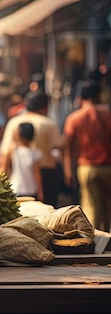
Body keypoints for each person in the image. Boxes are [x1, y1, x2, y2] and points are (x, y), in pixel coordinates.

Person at [0, 91, 64, 208]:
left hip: (19, 174)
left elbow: (4, 153)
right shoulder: (48, 123)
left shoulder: (14, 122)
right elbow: (59, 147)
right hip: (46, 175)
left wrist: (2, 181)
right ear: (45, 107)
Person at [63, 81, 111, 231]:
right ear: (98, 96)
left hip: (87, 168)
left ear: (79, 98)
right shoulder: (107, 113)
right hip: (108, 167)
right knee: (107, 207)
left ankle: (95, 241)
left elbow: (67, 146)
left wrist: (68, 170)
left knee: (91, 207)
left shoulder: (74, 118)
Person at [4, 122, 43, 200]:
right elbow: (37, 174)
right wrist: (40, 192)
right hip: (31, 190)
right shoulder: (36, 153)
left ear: (19, 135)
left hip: (15, 188)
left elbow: (5, 169)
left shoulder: (13, 150)